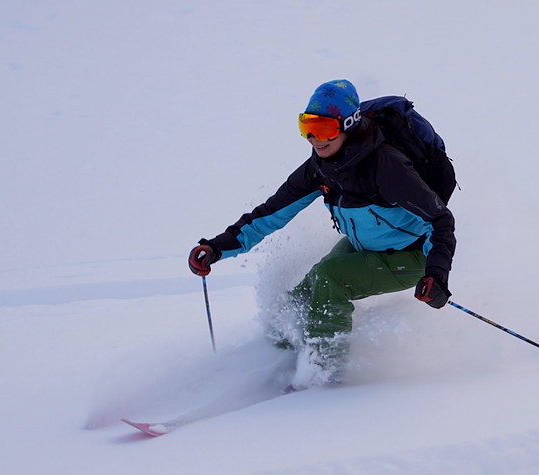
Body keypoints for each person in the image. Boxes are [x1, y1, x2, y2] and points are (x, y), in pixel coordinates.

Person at [188, 80, 456, 389]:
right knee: (301, 296)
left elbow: (440, 221)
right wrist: (218, 248)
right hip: (365, 246)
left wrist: (436, 275)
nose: (315, 138)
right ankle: (273, 359)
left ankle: (324, 377)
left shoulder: (387, 167)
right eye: (308, 126)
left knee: (331, 280)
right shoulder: (319, 168)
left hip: (413, 256)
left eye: (325, 128)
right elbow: (271, 213)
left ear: (349, 124)